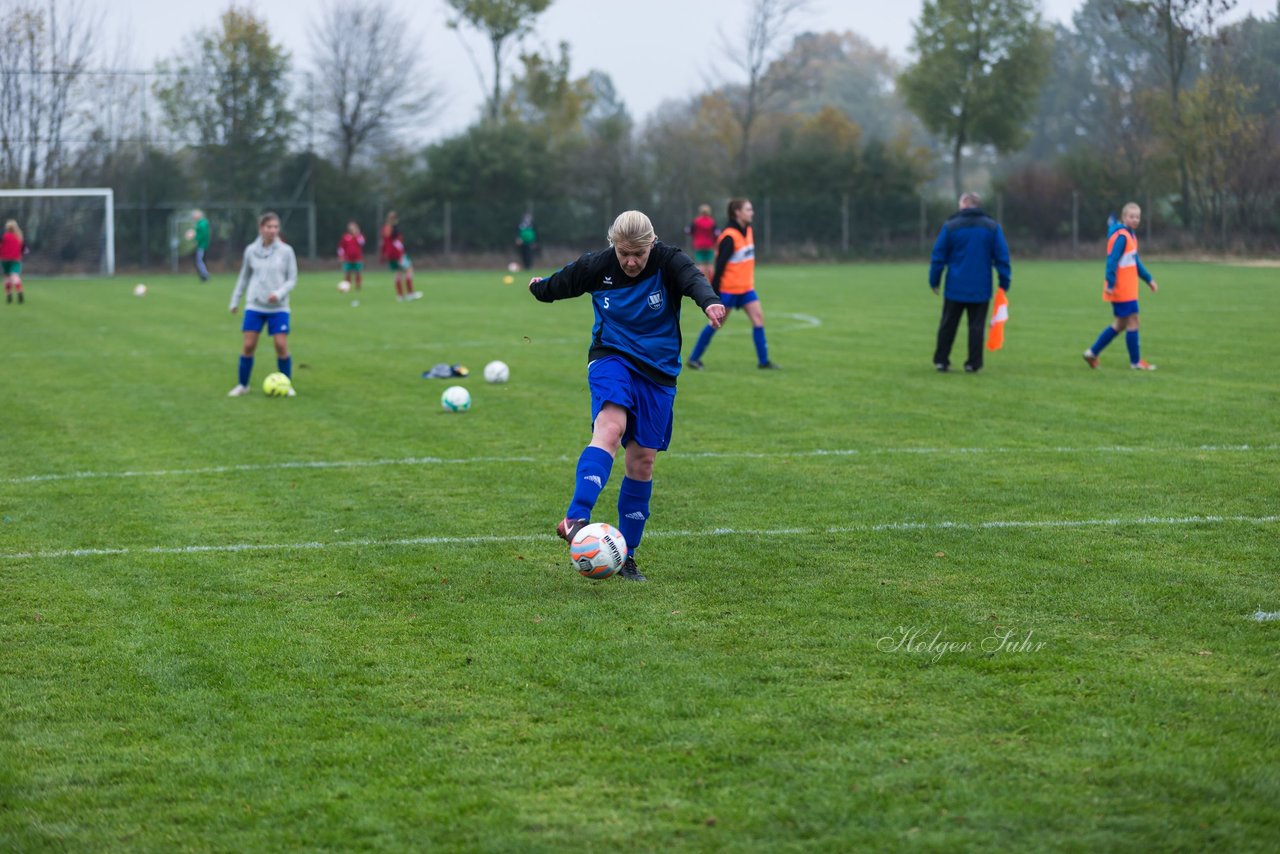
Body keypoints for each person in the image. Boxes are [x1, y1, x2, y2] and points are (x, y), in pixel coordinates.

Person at [529, 210, 725, 582]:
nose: (631, 262)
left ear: (652, 244)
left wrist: (709, 301)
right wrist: (540, 287)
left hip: (659, 370)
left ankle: (626, 556)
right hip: (611, 356)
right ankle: (575, 517)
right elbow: (561, 284)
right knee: (610, 429)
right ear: (613, 246)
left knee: (642, 462)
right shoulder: (597, 266)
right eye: (624, 254)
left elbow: (693, 278)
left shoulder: (668, 260)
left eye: (639, 253)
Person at [687, 198, 777, 370]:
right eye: (748, 209)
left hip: (747, 289)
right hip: (729, 290)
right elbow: (719, 268)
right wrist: (714, 295)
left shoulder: (748, 230)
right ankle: (693, 359)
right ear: (737, 213)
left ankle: (763, 362)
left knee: (758, 319)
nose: (752, 212)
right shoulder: (729, 236)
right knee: (715, 324)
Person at [928, 192, 1011, 373]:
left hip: (955, 286)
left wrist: (934, 280)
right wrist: (1004, 282)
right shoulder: (992, 227)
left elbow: (938, 256)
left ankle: (941, 361)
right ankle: (973, 363)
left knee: (948, 324)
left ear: (964, 204)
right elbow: (1002, 257)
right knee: (976, 327)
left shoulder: (950, 226)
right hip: (981, 287)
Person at [227, 212, 298, 397]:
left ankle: (286, 384)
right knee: (249, 345)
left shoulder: (286, 251)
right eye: (269, 227)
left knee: (281, 345)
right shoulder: (251, 250)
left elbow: (292, 279)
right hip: (255, 305)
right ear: (261, 228)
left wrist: (279, 293)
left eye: (276, 227)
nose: (273, 230)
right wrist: (235, 300)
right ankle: (243, 385)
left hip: (279, 307)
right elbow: (244, 277)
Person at [1083, 203, 1159, 371]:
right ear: (1124, 218)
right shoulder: (1123, 237)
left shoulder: (1131, 236)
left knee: (1120, 324)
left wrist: (1148, 279)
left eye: (1137, 217)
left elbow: (1135, 262)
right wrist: (1110, 283)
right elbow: (1112, 260)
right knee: (1133, 321)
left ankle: (1092, 352)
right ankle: (1136, 362)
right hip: (1122, 289)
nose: (1135, 219)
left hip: (1127, 289)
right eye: (1131, 216)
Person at [380, 211, 420, 301]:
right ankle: (410, 294)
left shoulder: (386, 228)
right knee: (409, 269)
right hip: (397, 254)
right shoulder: (391, 228)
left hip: (391, 254)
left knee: (398, 273)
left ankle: (400, 296)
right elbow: (393, 240)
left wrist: (383, 254)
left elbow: (384, 242)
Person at [685, 203, 718, 281]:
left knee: (700, 264)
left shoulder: (696, 221)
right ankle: (711, 281)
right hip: (709, 245)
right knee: (709, 264)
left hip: (699, 245)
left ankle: (700, 281)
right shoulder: (711, 221)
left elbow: (688, 230)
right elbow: (716, 233)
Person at [337, 220, 365, 291]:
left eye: (353, 227)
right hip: (348, 259)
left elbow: (362, 243)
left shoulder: (359, 236)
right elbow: (341, 248)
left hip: (357, 258)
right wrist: (341, 256)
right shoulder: (345, 237)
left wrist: (357, 234)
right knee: (347, 274)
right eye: (350, 227)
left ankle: (358, 287)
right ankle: (347, 287)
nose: (352, 229)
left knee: (358, 273)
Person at [2, 220, 25, 304]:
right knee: (15, 276)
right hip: (16, 259)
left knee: (7, 277)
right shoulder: (19, 237)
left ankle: (9, 295)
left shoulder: (4, 236)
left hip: (4, 259)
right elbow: (24, 250)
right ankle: (19, 291)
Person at [193, 209, 210, 282]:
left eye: (194, 215)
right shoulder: (200, 223)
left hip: (202, 245)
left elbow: (203, 235)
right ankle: (203, 275)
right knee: (200, 261)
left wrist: (195, 237)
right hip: (202, 245)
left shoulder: (202, 224)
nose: (193, 217)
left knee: (200, 261)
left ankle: (205, 275)